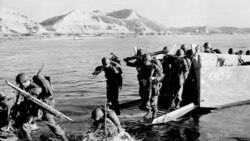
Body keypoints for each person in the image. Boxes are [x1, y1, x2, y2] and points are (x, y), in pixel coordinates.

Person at [14, 72, 68, 141]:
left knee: (52, 125)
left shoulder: (35, 88)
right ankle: (27, 138)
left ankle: (65, 139)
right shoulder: (26, 87)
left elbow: (38, 91)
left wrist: (30, 96)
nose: (20, 86)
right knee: (25, 124)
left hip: (45, 108)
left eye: (21, 84)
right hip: (36, 108)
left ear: (26, 81)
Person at [140, 54, 164, 119]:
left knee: (154, 99)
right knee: (146, 98)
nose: (145, 62)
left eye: (146, 60)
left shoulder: (154, 66)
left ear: (148, 60)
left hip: (154, 85)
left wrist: (154, 78)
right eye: (144, 61)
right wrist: (143, 79)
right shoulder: (143, 66)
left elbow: (161, 75)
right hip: (147, 85)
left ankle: (155, 112)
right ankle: (149, 112)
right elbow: (141, 75)